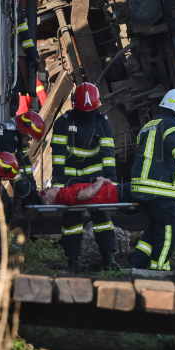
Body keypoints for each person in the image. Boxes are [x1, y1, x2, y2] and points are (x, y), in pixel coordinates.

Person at [50, 82, 119, 272]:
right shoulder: (63, 123)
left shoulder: (102, 122)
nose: (89, 114)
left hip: (95, 179)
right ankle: (73, 261)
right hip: (72, 180)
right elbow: (58, 155)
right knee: (72, 219)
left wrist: (110, 180)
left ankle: (108, 257)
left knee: (102, 216)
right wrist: (58, 183)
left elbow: (108, 153)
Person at [127, 89, 175, 271]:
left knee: (157, 226)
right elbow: (174, 143)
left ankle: (137, 261)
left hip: (141, 187)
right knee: (169, 229)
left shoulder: (149, 125)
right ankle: (159, 270)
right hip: (159, 188)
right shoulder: (171, 126)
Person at [40, 176, 175, 208]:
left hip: (120, 190)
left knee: (170, 186)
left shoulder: (61, 192)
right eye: (44, 193)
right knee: (171, 188)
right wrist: (101, 182)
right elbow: (84, 195)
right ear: (48, 202)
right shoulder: (62, 196)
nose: (47, 189)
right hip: (121, 193)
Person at [12, 0, 46, 114]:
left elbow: (25, 37)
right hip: (0, 63)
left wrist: (33, 56)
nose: (19, 1)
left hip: (9, 63)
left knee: (14, 98)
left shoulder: (17, 12)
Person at [0, 111, 46, 179]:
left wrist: (31, 183)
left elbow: (24, 160)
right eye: (29, 136)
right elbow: (12, 170)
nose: (30, 139)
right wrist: (24, 185)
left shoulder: (19, 138)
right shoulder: (6, 137)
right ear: (22, 130)